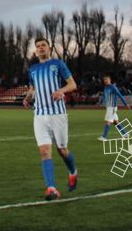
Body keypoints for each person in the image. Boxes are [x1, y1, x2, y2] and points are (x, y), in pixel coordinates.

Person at [22, 37, 78, 201]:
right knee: (44, 151)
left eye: (43, 45)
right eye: (37, 46)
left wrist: (61, 91)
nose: (40, 48)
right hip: (39, 115)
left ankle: (73, 171)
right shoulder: (32, 69)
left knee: (62, 151)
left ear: (50, 48)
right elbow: (33, 89)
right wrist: (27, 97)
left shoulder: (58, 64)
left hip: (58, 114)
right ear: (35, 50)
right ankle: (51, 188)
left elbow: (72, 84)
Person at [99, 73, 129, 140]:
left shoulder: (113, 87)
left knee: (108, 121)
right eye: (104, 80)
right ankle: (125, 134)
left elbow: (120, 95)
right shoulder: (105, 87)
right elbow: (104, 96)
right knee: (115, 122)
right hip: (109, 107)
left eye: (107, 79)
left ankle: (104, 137)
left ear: (110, 80)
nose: (105, 81)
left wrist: (125, 104)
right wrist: (100, 102)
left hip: (112, 107)